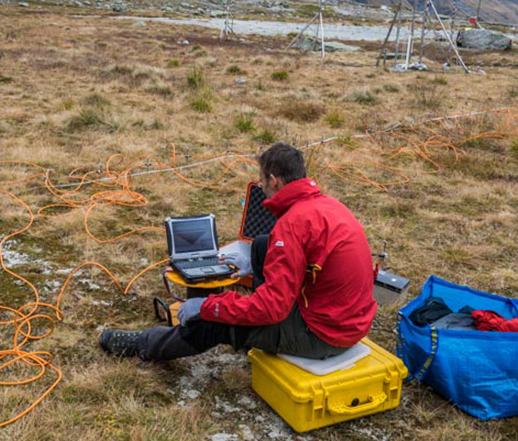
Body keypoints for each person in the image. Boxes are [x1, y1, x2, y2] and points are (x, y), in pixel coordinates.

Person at [99, 142, 377, 360]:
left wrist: (208, 307)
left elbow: (272, 308)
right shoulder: (326, 205)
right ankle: (255, 331)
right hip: (347, 320)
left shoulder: (292, 225)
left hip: (324, 335)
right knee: (260, 245)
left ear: (274, 180)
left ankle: (145, 344)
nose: (262, 188)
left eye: (262, 182)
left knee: (213, 324)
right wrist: (259, 265)